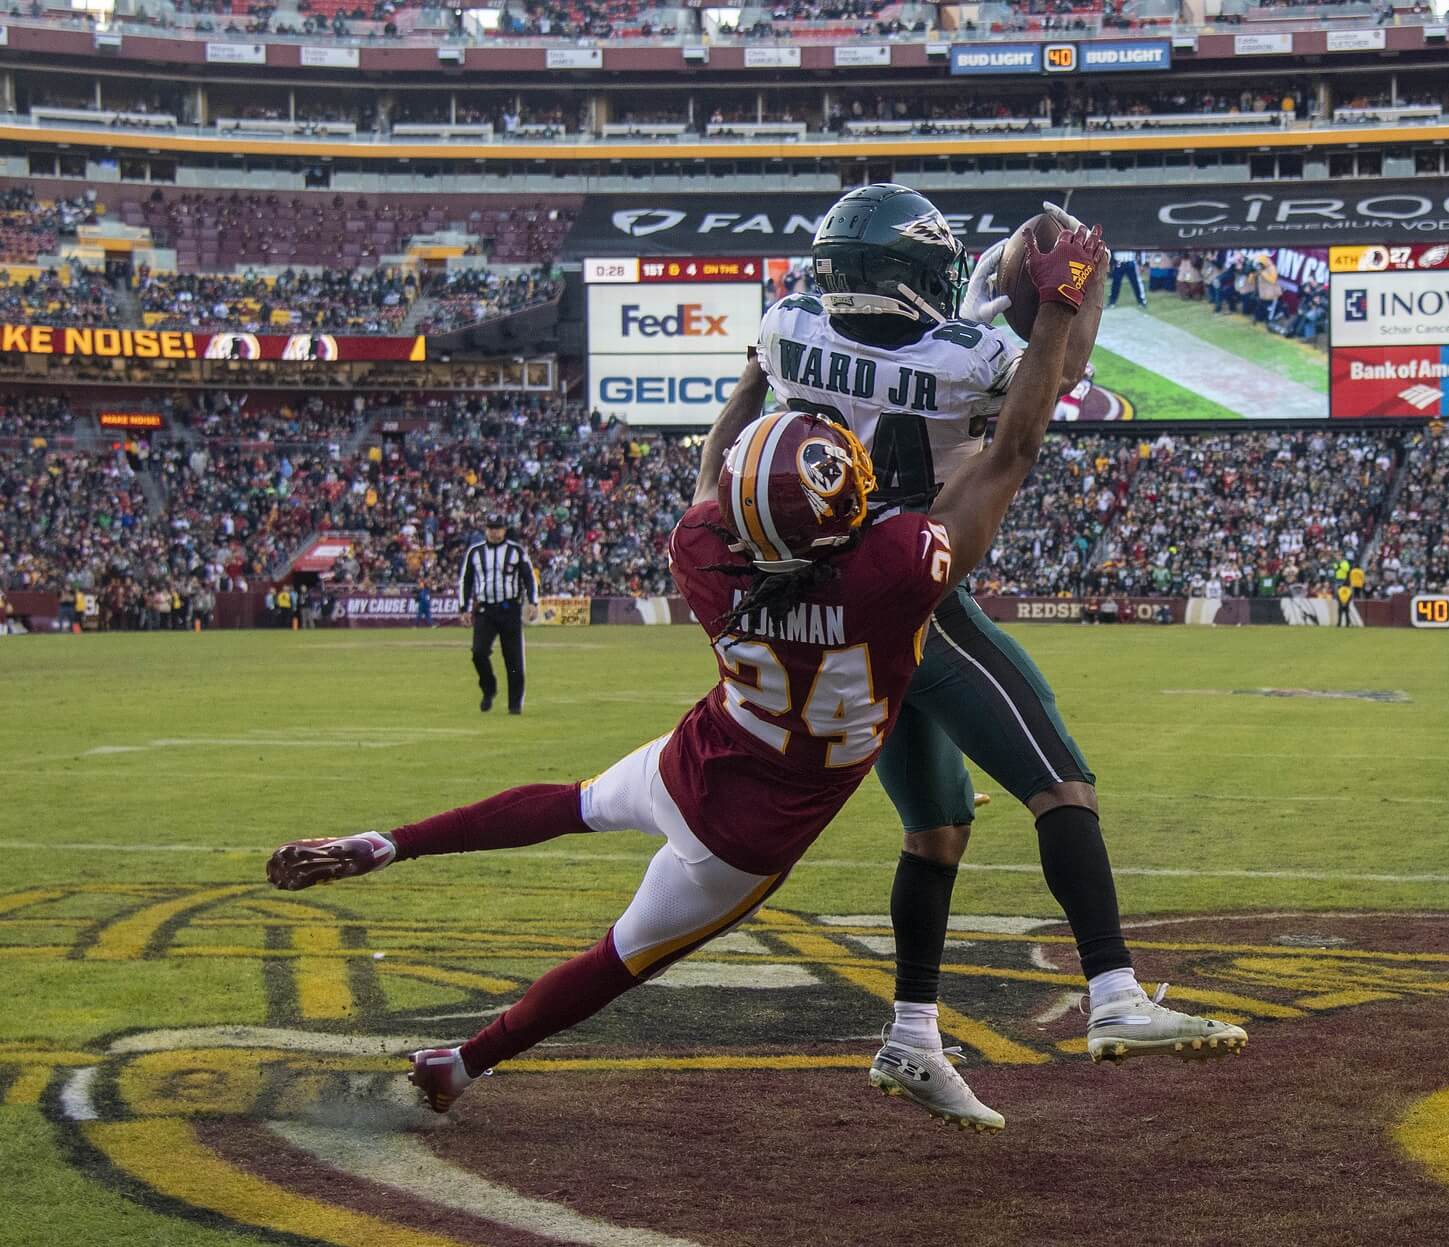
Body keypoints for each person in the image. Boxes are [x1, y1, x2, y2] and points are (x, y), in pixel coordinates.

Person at [267, 227, 1237, 1127]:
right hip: (740, 836)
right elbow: (1010, 453)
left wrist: (754, 374)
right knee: (617, 956)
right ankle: (464, 1057)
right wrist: (1059, 310)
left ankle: (385, 850)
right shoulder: (890, 574)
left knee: (581, 805)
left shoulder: (709, 554)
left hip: (703, 755)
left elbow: (706, 481)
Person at [755, 187, 1239, 1130]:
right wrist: (1075, 287)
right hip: (920, 593)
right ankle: (1112, 990)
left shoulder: (782, 331)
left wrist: (985, 287)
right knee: (1061, 785)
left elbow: (868, 350)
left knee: (935, 832)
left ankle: (912, 1032)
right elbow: (1058, 378)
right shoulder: (972, 360)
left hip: (835, 608)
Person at [460, 513, 538, 714]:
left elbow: (529, 577)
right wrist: (464, 608)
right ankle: (489, 688)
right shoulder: (475, 552)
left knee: (513, 659)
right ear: (486, 529)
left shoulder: (515, 551)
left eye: (498, 528)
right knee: (478, 652)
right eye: (491, 528)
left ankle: (514, 705)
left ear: (505, 530)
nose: (494, 532)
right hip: (486, 610)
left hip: (510, 609)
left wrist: (533, 603)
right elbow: (466, 581)